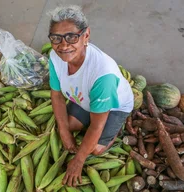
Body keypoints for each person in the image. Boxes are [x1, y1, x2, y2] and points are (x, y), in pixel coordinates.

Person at [47, 5, 134, 187]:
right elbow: (56, 95)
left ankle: (116, 127)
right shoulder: (55, 58)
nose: (63, 45)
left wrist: (78, 161)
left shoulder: (102, 75)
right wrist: (64, 131)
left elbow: (97, 125)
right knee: (67, 125)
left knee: (95, 149)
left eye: (71, 37)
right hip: (84, 100)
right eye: (56, 38)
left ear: (86, 36)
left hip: (114, 106)